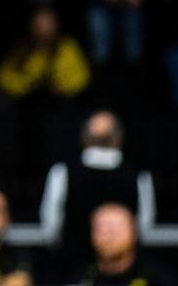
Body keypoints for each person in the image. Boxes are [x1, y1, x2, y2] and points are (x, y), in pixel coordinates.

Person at [39, 110, 155, 272]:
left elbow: (51, 225)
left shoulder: (63, 172)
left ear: (83, 138)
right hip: (111, 270)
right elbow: (144, 227)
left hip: (73, 265)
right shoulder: (138, 176)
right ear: (119, 138)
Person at [75, 203, 177, 286]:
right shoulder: (77, 279)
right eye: (102, 228)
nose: (110, 234)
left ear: (134, 232)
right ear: (91, 233)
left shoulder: (160, 278)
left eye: (118, 227)